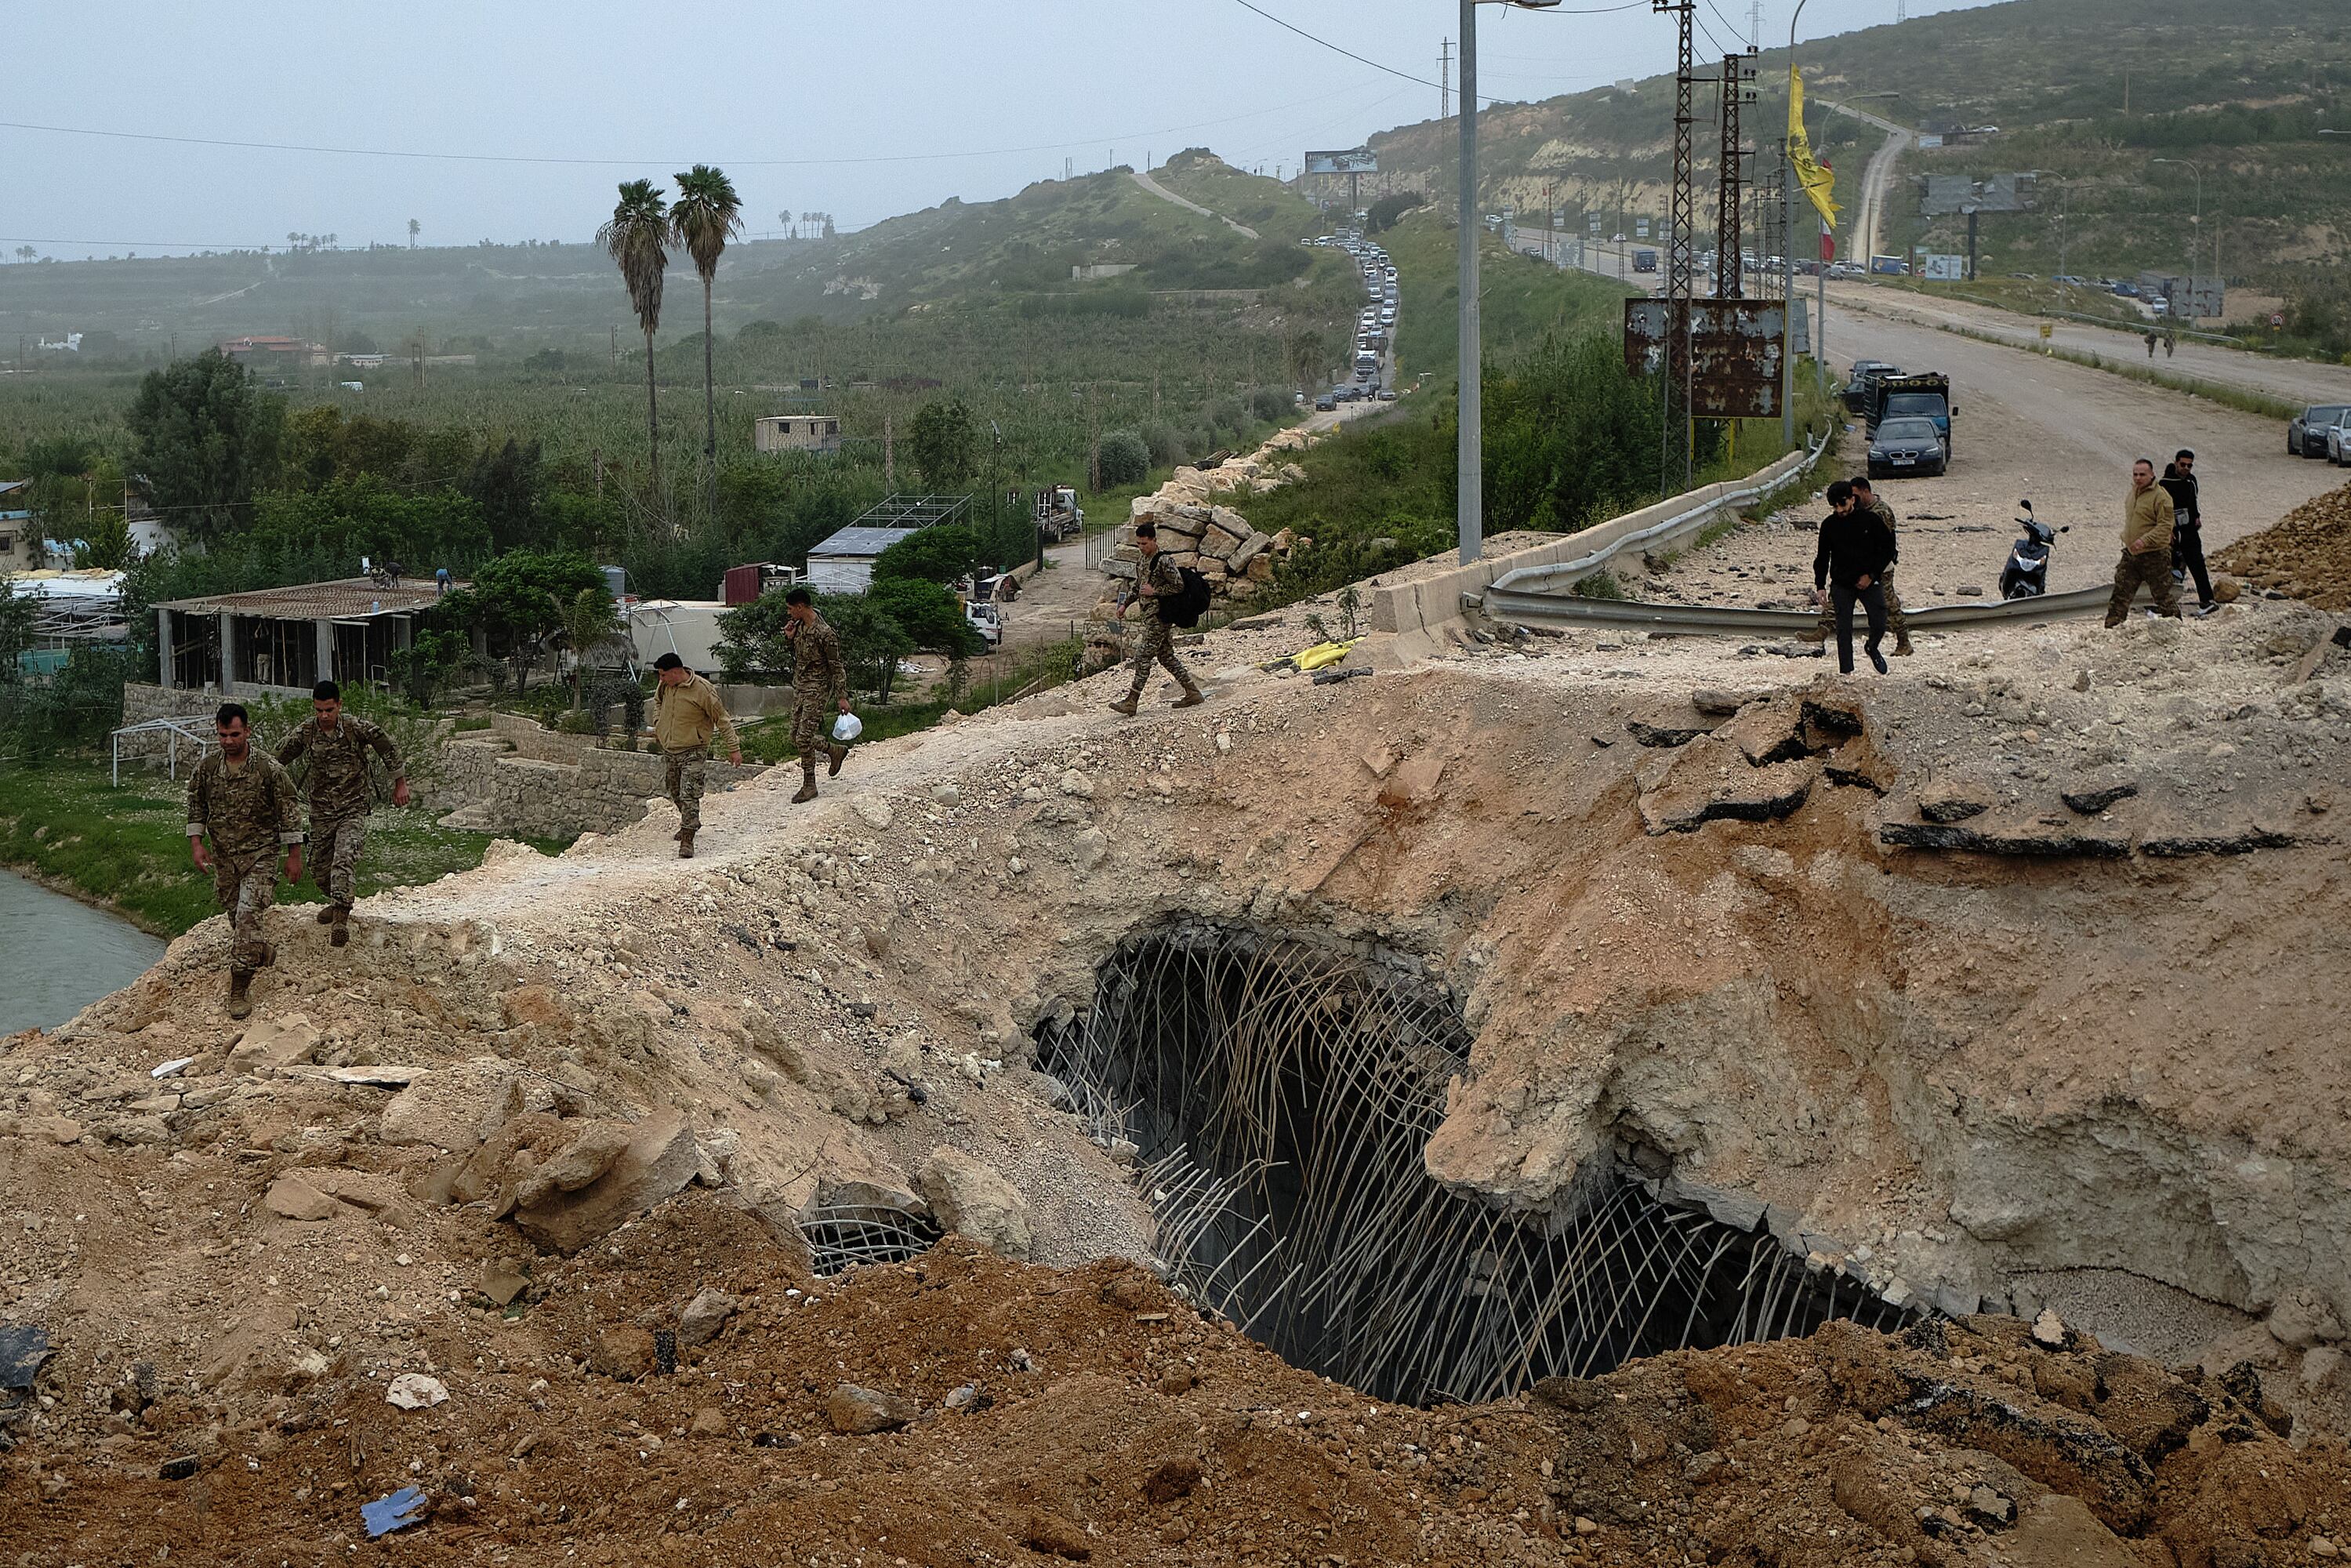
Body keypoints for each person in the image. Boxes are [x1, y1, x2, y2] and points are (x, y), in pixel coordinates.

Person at [187, 703, 304, 1019]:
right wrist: (197, 844)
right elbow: (197, 805)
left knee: (247, 914)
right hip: (225, 857)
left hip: (261, 856)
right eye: (222, 735)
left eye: (234, 734)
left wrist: (294, 855)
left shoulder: (269, 769)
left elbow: (289, 812)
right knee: (235, 914)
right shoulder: (208, 768)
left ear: (247, 732)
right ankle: (259, 951)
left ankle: (239, 985)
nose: (228, 741)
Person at [275, 679, 408, 948]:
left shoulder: (354, 728)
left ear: (339, 706)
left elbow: (386, 745)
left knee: (344, 857)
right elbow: (277, 757)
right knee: (318, 868)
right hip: (321, 812)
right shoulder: (307, 732)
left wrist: (400, 782)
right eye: (319, 710)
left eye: (329, 710)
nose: (324, 716)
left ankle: (340, 918)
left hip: (352, 809)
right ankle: (339, 900)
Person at [649, 652, 742, 858]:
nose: (660, 679)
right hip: (671, 749)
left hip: (693, 750)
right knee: (675, 790)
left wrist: (733, 748)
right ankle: (690, 822)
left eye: (663, 675)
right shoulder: (665, 686)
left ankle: (687, 839)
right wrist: (659, 723)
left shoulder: (702, 690)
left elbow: (722, 719)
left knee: (689, 793)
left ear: (675, 672)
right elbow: (657, 703)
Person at [1108, 521, 1203, 717]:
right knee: (1166, 656)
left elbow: (1179, 586)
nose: (1141, 547)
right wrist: (1125, 604)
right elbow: (1138, 587)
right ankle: (1193, 692)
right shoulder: (1141, 561)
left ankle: (1132, 701)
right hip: (1149, 616)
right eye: (1139, 544)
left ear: (1154, 541)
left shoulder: (1164, 561)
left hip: (1161, 617)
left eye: (1144, 544)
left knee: (1142, 656)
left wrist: (1156, 591)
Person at [1813, 476, 1913, 657]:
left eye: (1854, 495)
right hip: (1857, 569)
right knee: (1838, 599)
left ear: (1864, 492)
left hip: (1880, 567)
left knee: (1888, 605)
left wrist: (1871, 572)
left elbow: (1884, 546)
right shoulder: (1852, 515)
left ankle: (1903, 640)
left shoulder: (1880, 513)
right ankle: (1824, 629)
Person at [779, 588, 850, 804]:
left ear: (801, 607)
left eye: (791, 609)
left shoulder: (825, 633)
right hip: (801, 686)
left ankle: (809, 785)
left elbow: (836, 666)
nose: (789, 613)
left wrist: (841, 696)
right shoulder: (799, 627)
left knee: (803, 737)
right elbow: (798, 653)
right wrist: (789, 638)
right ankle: (834, 750)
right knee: (795, 737)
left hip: (818, 689)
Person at [2107, 457, 2183, 626]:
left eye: (2142, 474)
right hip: (2132, 553)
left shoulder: (2161, 497)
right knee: (2120, 593)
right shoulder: (2134, 492)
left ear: (2152, 475)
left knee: (2161, 595)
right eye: (2135, 474)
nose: (2138, 478)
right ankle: (2112, 628)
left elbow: (2165, 525)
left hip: (2154, 555)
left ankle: (2177, 628)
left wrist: (2144, 540)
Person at [2161, 448, 2216, 615]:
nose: (2185, 468)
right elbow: (2161, 509)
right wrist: (2168, 530)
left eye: (2189, 466)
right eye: (2183, 464)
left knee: (2197, 564)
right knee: (2167, 567)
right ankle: (2161, 602)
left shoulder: (2191, 481)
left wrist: (2197, 517)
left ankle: (2207, 600)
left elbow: (2193, 501)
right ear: (2176, 463)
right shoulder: (2165, 483)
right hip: (2171, 531)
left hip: (2189, 530)